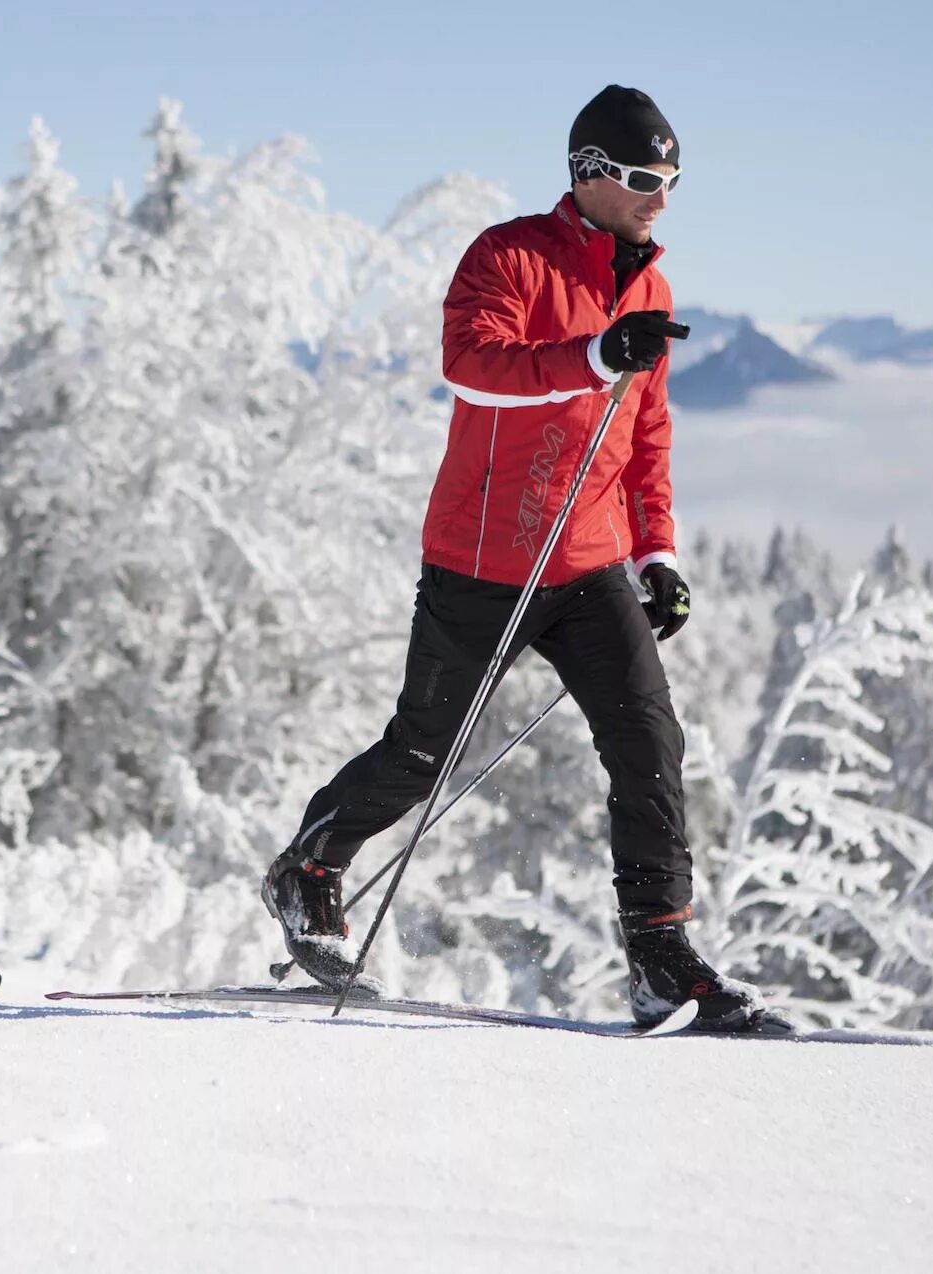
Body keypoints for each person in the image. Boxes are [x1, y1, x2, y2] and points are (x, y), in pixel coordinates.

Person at [262, 86, 785, 1034]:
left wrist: (657, 549)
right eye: (640, 178)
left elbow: (647, 429)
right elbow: (471, 364)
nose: (659, 196)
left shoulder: (651, 289)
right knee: (423, 753)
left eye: (671, 180)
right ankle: (311, 869)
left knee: (648, 745)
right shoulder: (507, 255)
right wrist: (592, 353)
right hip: (481, 559)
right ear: (587, 174)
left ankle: (661, 958)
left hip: (587, 566)